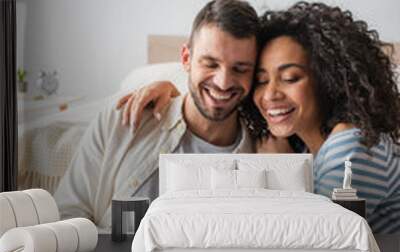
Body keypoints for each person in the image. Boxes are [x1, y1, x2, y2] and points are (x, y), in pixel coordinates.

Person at [118, 2, 400, 233]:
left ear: (328, 79)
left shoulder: (349, 148)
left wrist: (281, 167)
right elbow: (217, 93)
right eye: (261, 80)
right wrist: (173, 91)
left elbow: (310, 240)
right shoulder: (302, 141)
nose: (270, 95)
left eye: (290, 78)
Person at [53, 0, 260, 229]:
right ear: (186, 59)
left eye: (240, 69)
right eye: (210, 64)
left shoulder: (262, 154)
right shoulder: (120, 120)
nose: (223, 82)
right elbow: (67, 215)